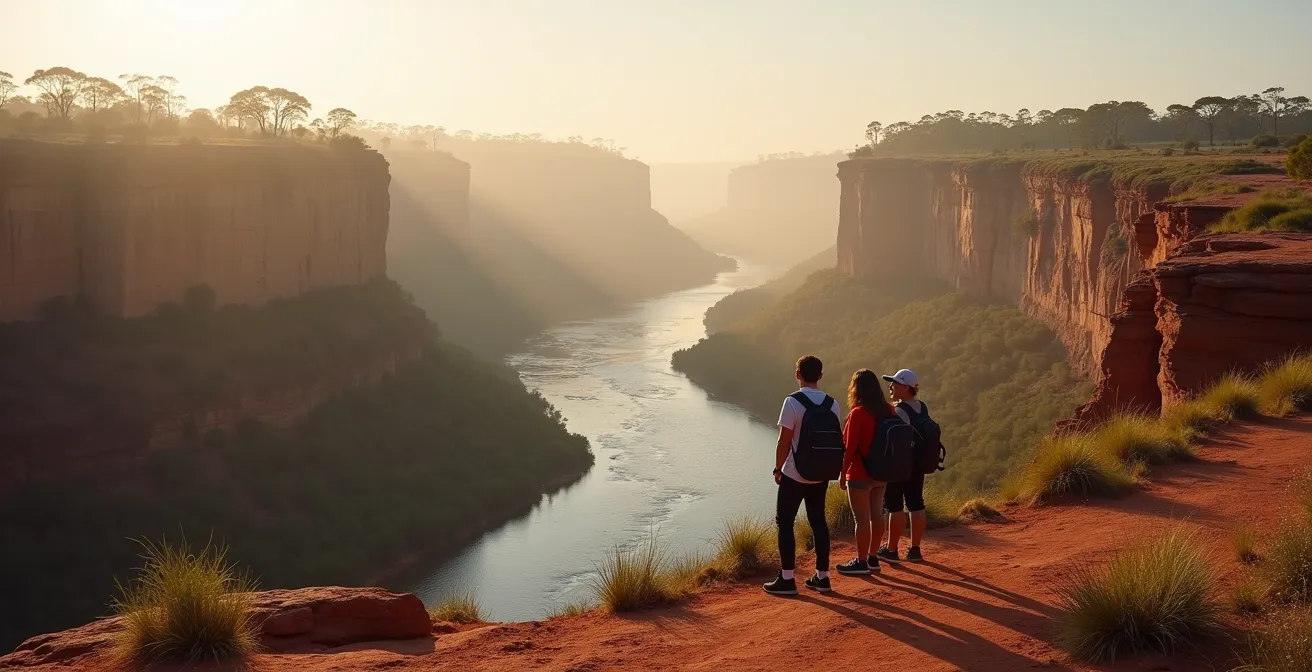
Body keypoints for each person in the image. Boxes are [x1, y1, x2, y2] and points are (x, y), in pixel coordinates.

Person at [764, 355, 839, 596]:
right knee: (819, 523)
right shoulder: (833, 404)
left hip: (794, 475)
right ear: (820, 376)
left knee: (785, 522)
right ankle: (823, 577)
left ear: (798, 374)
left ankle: (787, 579)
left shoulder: (793, 402)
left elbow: (784, 440)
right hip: (821, 474)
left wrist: (777, 469)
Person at [835, 369, 896, 576]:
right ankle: (872, 558)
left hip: (860, 474)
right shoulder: (889, 410)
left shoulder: (858, 413)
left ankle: (861, 562)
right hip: (882, 473)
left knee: (861, 519)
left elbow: (849, 447)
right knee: (876, 515)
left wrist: (842, 473)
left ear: (856, 389)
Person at [877, 368, 928, 563]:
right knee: (916, 503)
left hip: (899, 466)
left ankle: (892, 549)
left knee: (894, 505)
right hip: (918, 463)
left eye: (895, 383)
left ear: (905, 387)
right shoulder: (922, 407)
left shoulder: (898, 410)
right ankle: (915, 549)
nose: (891, 386)